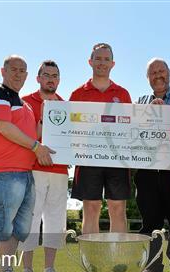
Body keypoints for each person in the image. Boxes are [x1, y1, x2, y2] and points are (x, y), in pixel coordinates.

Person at [0, 55, 54, 272]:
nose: (18, 74)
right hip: (0, 171)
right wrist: (36, 146)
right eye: (13, 69)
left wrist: (60, 125)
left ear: (28, 76)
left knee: (17, 228)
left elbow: (35, 134)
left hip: (25, 173)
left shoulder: (27, 106)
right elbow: (4, 127)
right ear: (3, 71)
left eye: (22, 71)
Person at [136, 58, 170, 272]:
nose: (158, 75)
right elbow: (132, 135)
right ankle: (152, 266)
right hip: (147, 170)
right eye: (153, 73)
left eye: (161, 71)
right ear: (147, 77)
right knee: (150, 220)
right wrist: (149, 114)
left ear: (169, 73)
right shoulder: (140, 101)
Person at [69, 43, 132, 234]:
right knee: (91, 207)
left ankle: (118, 259)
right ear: (90, 62)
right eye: (98, 59)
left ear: (112, 64)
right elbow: (68, 130)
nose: (102, 63)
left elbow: (131, 127)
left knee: (117, 208)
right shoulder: (78, 94)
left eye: (106, 59)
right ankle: (91, 261)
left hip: (117, 159)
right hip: (88, 159)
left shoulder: (123, 94)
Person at [17, 60, 67, 272]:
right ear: (38, 78)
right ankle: (27, 268)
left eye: (54, 75)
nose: (50, 79)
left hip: (60, 170)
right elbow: (23, 136)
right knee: (31, 216)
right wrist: (41, 121)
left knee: (55, 219)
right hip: (33, 168)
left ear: (59, 79)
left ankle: (49, 267)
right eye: (46, 75)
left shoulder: (66, 105)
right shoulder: (26, 102)